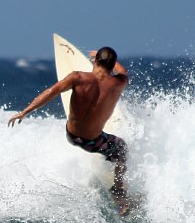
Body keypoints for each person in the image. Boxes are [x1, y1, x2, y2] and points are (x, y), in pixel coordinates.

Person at [8, 47, 129, 214]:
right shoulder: (119, 82)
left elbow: (51, 92)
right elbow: (122, 71)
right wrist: (112, 62)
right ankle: (117, 189)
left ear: (95, 61)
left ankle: (108, 165)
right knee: (121, 148)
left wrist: (24, 112)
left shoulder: (78, 77)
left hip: (72, 135)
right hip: (94, 142)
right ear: (111, 64)